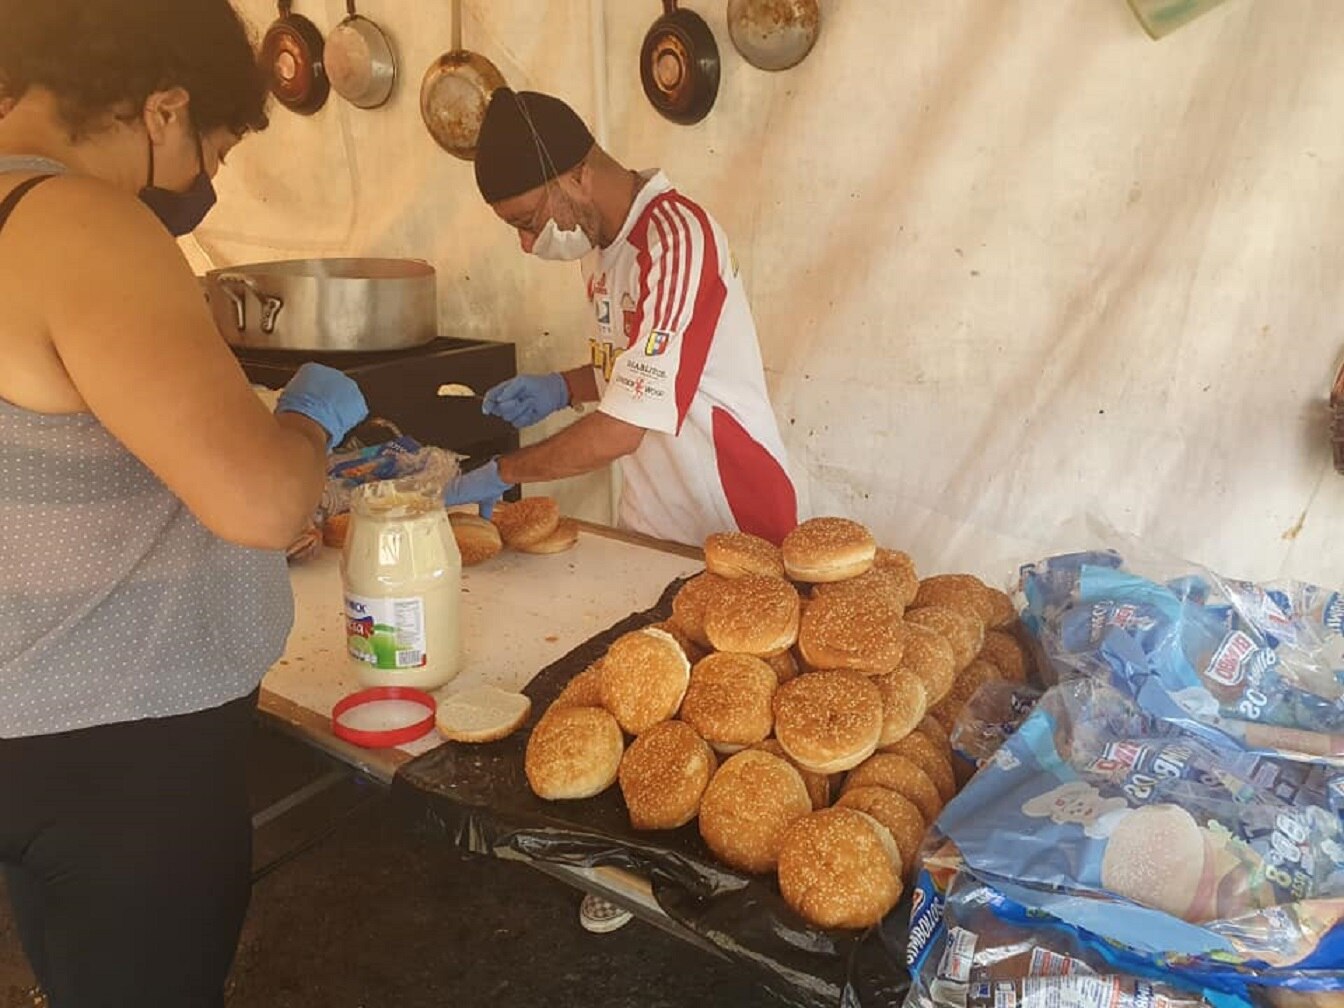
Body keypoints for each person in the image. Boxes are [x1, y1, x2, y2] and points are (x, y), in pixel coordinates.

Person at [0, 1, 368, 1003]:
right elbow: (261, 503)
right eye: (214, 146)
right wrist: (309, 420)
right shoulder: (79, 220)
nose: (209, 181)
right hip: (120, 752)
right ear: (162, 108)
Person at [442, 88, 800, 549]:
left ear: (578, 177)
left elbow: (623, 428)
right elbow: (640, 371)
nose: (527, 244)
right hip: (652, 519)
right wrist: (564, 387)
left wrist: (503, 471)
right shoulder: (597, 246)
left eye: (527, 220)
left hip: (732, 518)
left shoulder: (675, 242)